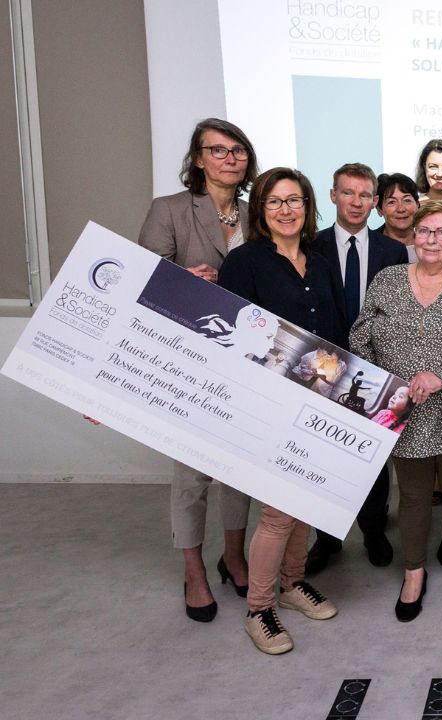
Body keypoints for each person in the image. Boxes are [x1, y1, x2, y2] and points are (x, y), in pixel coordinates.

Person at [349, 199, 442, 624]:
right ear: (413, 236)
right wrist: (382, 385)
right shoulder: (386, 279)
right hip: (400, 408)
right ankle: (413, 573)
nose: (433, 239)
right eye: (425, 231)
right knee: (412, 497)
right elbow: (361, 334)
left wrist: (441, 377)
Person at [219, 167, 345, 654]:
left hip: (321, 400)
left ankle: (293, 584)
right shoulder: (244, 261)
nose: (286, 210)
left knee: (305, 500)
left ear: (308, 207)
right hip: (268, 402)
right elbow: (233, 338)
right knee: (277, 513)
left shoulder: (319, 261)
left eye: (294, 200)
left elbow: (336, 326)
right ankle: (259, 608)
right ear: (260, 210)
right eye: (275, 202)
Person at [138, 117, 259, 621]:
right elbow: (140, 279)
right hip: (188, 360)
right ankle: (194, 571)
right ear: (197, 159)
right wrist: (183, 280)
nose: (230, 158)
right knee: (192, 472)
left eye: (238, 150)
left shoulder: (259, 213)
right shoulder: (169, 209)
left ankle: (233, 555)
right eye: (218, 150)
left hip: (247, 360)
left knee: (239, 468)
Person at [305, 163, 409, 574]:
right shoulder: (311, 245)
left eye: (365, 195)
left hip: (375, 364)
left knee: (372, 454)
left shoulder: (391, 251)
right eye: (348, 193)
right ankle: (326, 538)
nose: (356, 202)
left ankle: (373, 529)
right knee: (321, 453)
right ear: (333, 196)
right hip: (322, 362)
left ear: (375, 203)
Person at [374, 172, 420, 247]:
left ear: (417, 205)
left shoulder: (430, 240)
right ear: (379, 210)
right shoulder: (368, 244)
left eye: (407, 200)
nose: (401, 209)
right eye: (391, 202)